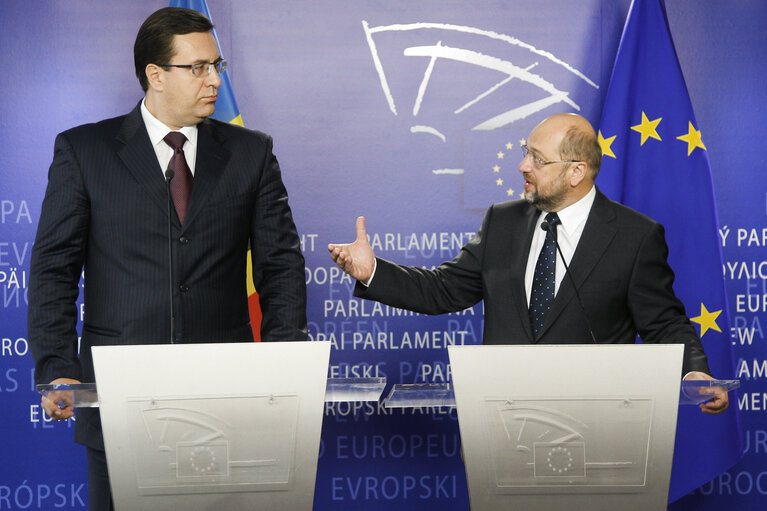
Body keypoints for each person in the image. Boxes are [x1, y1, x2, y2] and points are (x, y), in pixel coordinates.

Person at [28, 7, 307, 510]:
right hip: (118, 398)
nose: (213, 80)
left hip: (226, 400)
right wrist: (56, 366)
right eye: (197, 67)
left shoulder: (251, 153)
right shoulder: (84, 151)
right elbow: (54, 269)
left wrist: (285, 367)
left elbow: (280, 268)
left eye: (217, 66)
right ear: (155, 75)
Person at [329, 112, 728, 414]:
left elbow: (664, 322)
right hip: (501, 422)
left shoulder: (634, 236)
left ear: (576, 172)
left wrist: (693, 371)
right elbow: (442, 290)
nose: (523, 166)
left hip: (596, 425)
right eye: (526, 154)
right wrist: (373, 272)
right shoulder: (502, 222)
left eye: (538, 159)